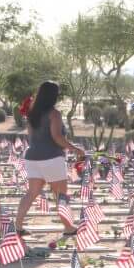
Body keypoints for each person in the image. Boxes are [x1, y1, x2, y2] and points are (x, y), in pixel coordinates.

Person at [15, 81, 84, 236]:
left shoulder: (32, 112)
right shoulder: (54, 114)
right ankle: (68, 227)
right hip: (51, 157)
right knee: (61, 194)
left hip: (32, 157)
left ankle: (18, 225)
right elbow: (57, 137)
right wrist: (75, 149)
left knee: (31, 192)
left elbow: (31, 136)